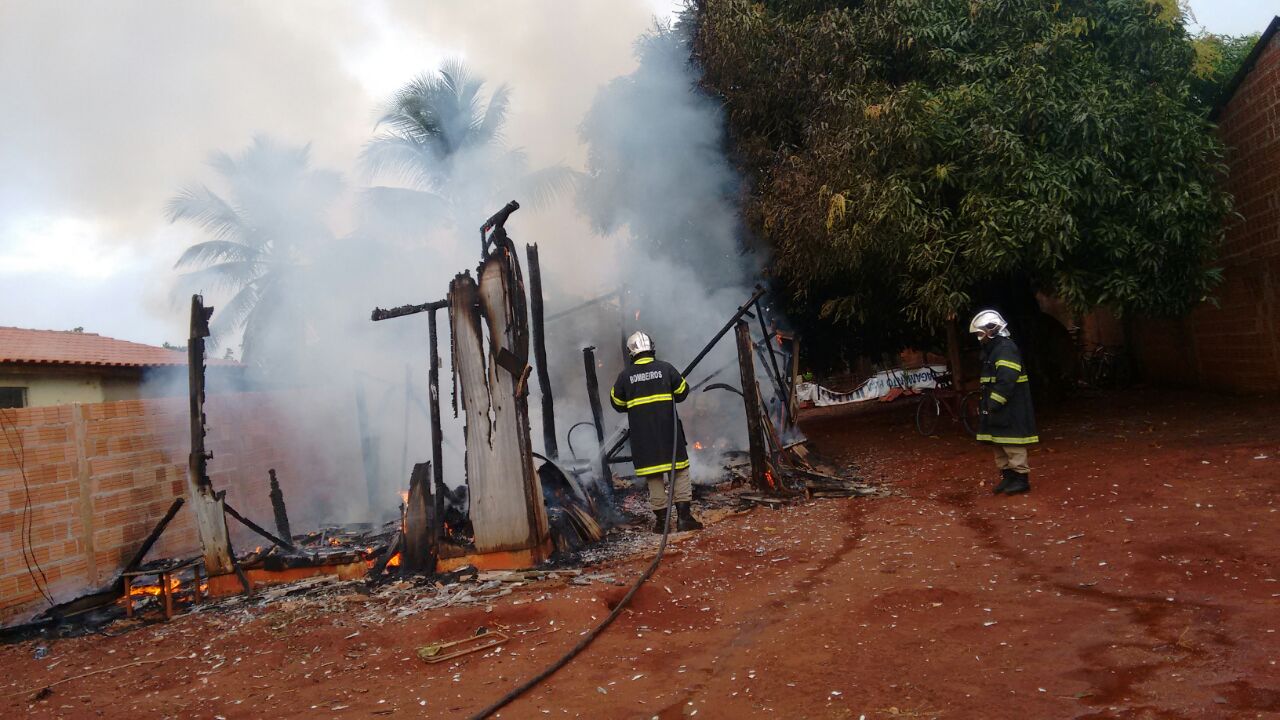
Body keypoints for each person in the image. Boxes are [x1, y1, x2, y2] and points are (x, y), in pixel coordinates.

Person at [610, 331, 703, 533]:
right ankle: (684, 519)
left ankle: (662, 523)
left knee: (654, 477)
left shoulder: (625, 376)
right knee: (679, 472)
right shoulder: (666, 368)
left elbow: (616, 402)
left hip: (644, 438)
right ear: (651, 348)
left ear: (631, 352)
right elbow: (682, 392)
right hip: (670, 434)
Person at [970, 309, 1039, 494]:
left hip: (1010, 406)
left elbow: (1007, 379)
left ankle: (1021, 480)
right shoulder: (993, 350)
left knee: (1012, 443)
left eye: (981, 333)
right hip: (998, 407)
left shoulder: (1005, 348)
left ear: (992, 329)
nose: (979, 338)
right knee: (998, 443)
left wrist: (995, 402)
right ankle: (1008, 477)